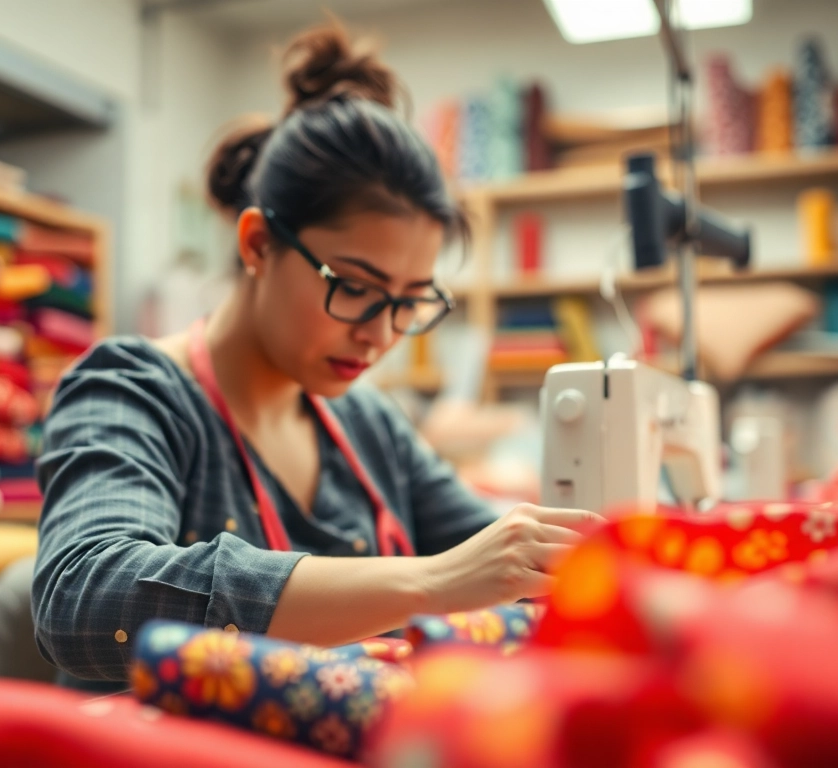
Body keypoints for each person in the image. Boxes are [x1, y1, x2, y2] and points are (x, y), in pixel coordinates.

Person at [31, 21, 598, 689]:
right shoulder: (130, 389)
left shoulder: (368, 427)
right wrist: (429, 582)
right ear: (257, 245)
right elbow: (82, 599)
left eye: (411, 300)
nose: (381, 334)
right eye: (355, 288)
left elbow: (502, 553)